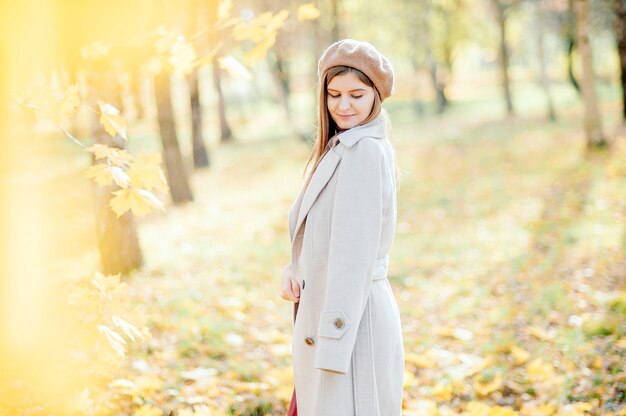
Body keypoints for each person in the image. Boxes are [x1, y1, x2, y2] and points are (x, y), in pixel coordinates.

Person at [280, 39, 404, 416]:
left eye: (356, 94)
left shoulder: (363, 152)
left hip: (351, 323)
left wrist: (332, 342)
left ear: (375, 96)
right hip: (330, 315)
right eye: (334, 94)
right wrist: (295, 268)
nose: (343, 105)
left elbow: (354, 256)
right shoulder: (342, 147)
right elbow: (324, 232)